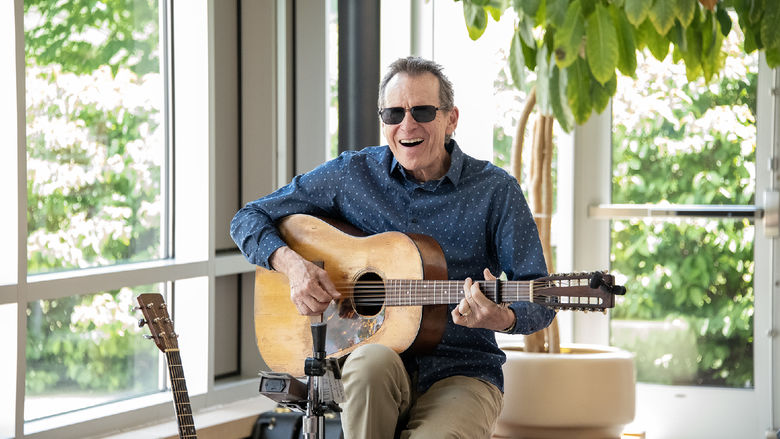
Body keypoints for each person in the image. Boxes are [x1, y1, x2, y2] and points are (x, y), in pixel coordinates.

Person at [231, 56, 555, 439]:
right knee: (369, 363)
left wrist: (500, 317)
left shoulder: (495, 190)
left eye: (422, 110)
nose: (407, 125)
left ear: (451, 119)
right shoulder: (352, 175)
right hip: (372, 366)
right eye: (394, 113)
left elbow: (541, 298)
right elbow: (248, 218)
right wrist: (292, 266)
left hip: (462, 370)